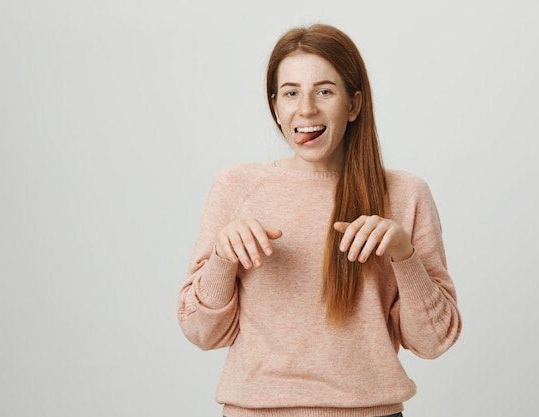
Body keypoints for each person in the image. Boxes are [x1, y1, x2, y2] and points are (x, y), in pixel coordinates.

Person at [177, 23, 461, 417]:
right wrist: (223, 258)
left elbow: (434, 340)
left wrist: (403, 254)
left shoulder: (405, 193)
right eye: (291, 93)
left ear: (353, 105)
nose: (305, 109)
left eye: (324, 91)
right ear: (275, 106)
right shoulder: (236, 186)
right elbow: (202, 332)